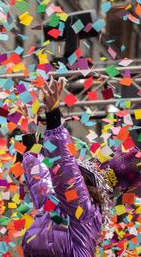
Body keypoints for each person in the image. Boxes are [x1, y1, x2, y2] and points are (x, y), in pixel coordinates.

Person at [18, 78, 140, 257]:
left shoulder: (83, 208)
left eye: (79, 173)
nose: (76, 173)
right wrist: (29, 135)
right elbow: (40, 178)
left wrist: (53, 115)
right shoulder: (58, 203)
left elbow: (64, 169)